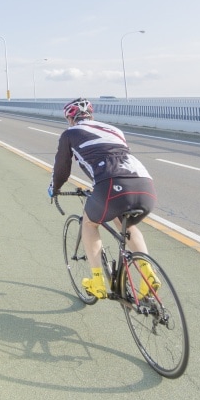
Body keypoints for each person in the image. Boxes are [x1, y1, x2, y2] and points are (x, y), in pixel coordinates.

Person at [48, 97, 159, 300]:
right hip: (145, 185)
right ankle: (148, 273)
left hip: (111, 185)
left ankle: (97, 281)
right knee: (125, 223)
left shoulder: (70, 133)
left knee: (90, 223)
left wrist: (54, 189)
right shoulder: (114, 130)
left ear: (70, 118)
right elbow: (116, 157)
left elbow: (62, 169)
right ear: (91, 114)